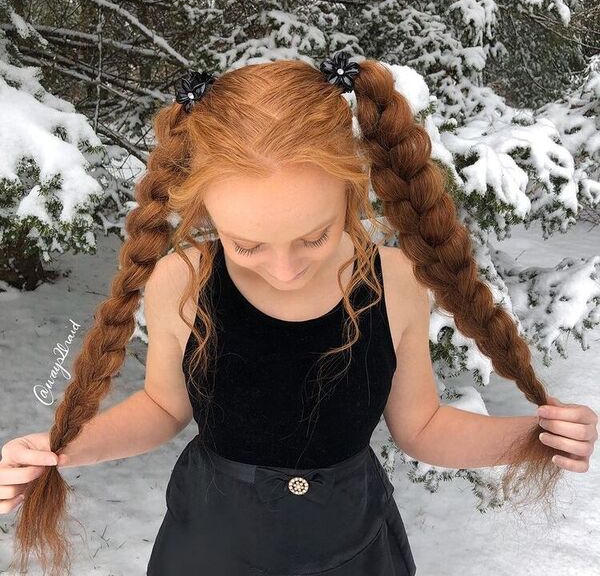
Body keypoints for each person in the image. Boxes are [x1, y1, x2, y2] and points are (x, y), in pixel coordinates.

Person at [1, 51, 597, 576]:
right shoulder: (183, 280)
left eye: (314, 237)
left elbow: (424, 428)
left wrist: (534, 438)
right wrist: (62, 449)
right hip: (214, 547)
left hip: (353, 546)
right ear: (206, 210)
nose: (284, 271)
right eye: (247, 245)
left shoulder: (394, 280)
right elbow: (162, 405)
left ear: (350, 188)